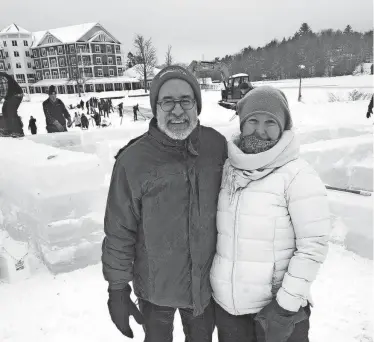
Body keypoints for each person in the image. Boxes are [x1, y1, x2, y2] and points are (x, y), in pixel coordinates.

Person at [102, 65, 227, 342]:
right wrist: (117, 288)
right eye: (167, 101)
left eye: (186, 100)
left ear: (198, 105)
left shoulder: (217, 146)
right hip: (155, 291)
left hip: (205, 288)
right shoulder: (133, 161)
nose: (178, 111)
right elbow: (119, 230)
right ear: (155, 107)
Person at [210, 86, 331, 342]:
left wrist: (285, 306)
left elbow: (313, 245)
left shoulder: (297, 175)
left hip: (276, 314)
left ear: (284, 127)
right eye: (252, 120)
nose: (260, 130)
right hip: (228, 311)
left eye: (270, 122)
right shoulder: (226, 169)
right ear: (241, 124)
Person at [0, 72, 25, 137]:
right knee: (4, 110)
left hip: (16, 94)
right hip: (10, 96)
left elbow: (3, 92)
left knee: (11, 111)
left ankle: (19, 132)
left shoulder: (2, 78)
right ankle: (9, 130)